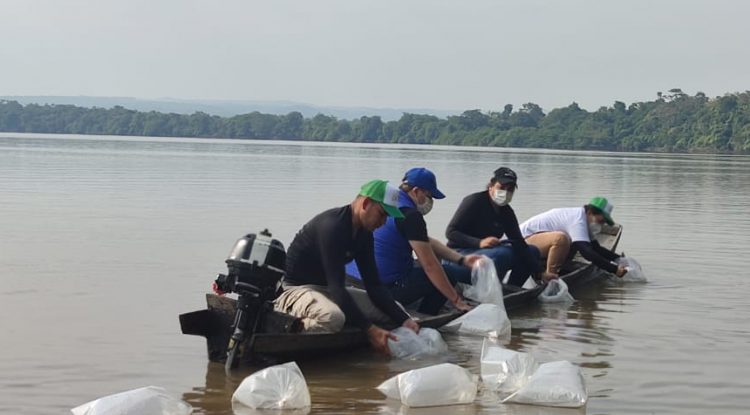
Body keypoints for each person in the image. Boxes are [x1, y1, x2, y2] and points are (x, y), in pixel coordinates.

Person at [274, 179, 420, 355]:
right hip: (297, 290)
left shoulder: (365, 234)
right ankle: (287, 325)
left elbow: (374, 285)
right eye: (382, 214)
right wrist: (370, 329)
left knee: (395, 310)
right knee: (333, 319)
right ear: (366, 203)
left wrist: (405, 320)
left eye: (387, 217)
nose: (383, 222)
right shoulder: (333, 227)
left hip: (326, 290)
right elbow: (337, 288)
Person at [347, 168, 481, 315]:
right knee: (447, 273)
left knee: (424, 264)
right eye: (429, 196)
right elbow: (430, 266)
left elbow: (425, 241)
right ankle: (426, 315)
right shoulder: (411, 216)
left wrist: (461, 259)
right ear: (416, 191)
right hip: (384, 290)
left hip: (351, 281)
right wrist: (457, 301)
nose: (430, 201)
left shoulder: (385, 204)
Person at [445, 167, 541, 287]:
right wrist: (479, 242)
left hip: (486, 253)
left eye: (510, 189)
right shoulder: (474, 201)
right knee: (501, 255)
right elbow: (451, 232)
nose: (505, 192)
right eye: (501, 187)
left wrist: (540, 272)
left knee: (532, 251)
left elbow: (518, 242)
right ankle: (489, 290)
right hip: (458, 256)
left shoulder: (507, 212)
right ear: (491, 185)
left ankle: (511, 289)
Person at [519, 196, 627, 280]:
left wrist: (620, 260)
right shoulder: (577, 220)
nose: (601, 225)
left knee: (575, 243)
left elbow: (595, 248)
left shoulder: (586, 221)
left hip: (538, 243)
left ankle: (548, 266)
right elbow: (587, 253)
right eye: (601, 221)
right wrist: (614, 270)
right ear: (590, 213)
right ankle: (550, 277)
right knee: (561, 239)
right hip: (523, 242)